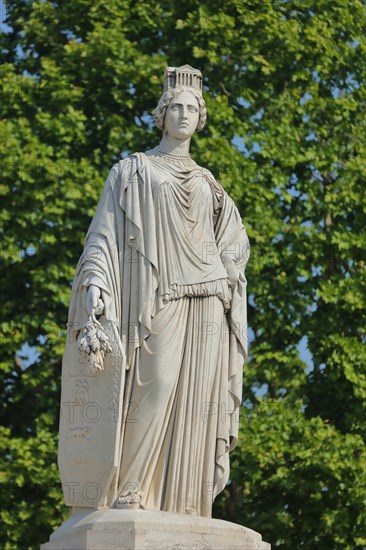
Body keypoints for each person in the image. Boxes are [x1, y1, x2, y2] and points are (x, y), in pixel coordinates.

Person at [59, 65, 249, 518]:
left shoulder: (209, 184)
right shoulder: (132, 172)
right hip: (158, 301)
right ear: (161, 115)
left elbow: (235, 242)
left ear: (200, 119)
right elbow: (101, 239)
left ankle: (187, 504)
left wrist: (226, 271)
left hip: (207, 302)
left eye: (192, 108)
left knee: (197, 404)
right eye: (176, 107)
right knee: (156, 386)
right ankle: (131, 489)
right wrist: (96, 288)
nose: (184, 114)